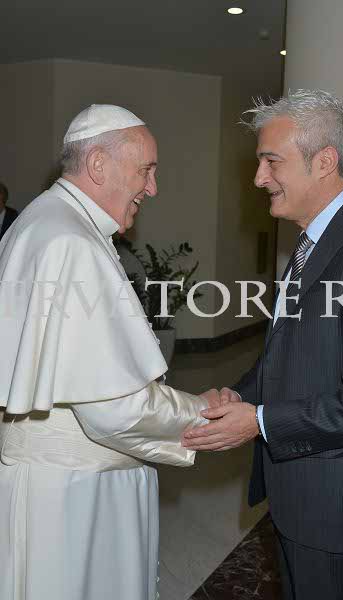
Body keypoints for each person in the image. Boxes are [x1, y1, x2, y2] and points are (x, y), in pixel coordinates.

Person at [0, 104, 229, 600]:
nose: (153, 187)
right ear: (99, 164)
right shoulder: (72, 242)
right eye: (146, 170)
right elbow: (115, 408)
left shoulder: (47, 220)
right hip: (76, 493)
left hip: (53, 482)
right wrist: (203, 414)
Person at [183, 89, 343, 600]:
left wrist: (259, 422)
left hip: (339, 513)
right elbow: (290, 354)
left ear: (324, 161)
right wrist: (239, 396)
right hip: (301, 502)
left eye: (271, 161)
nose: (259, 178)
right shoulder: (312, 242)